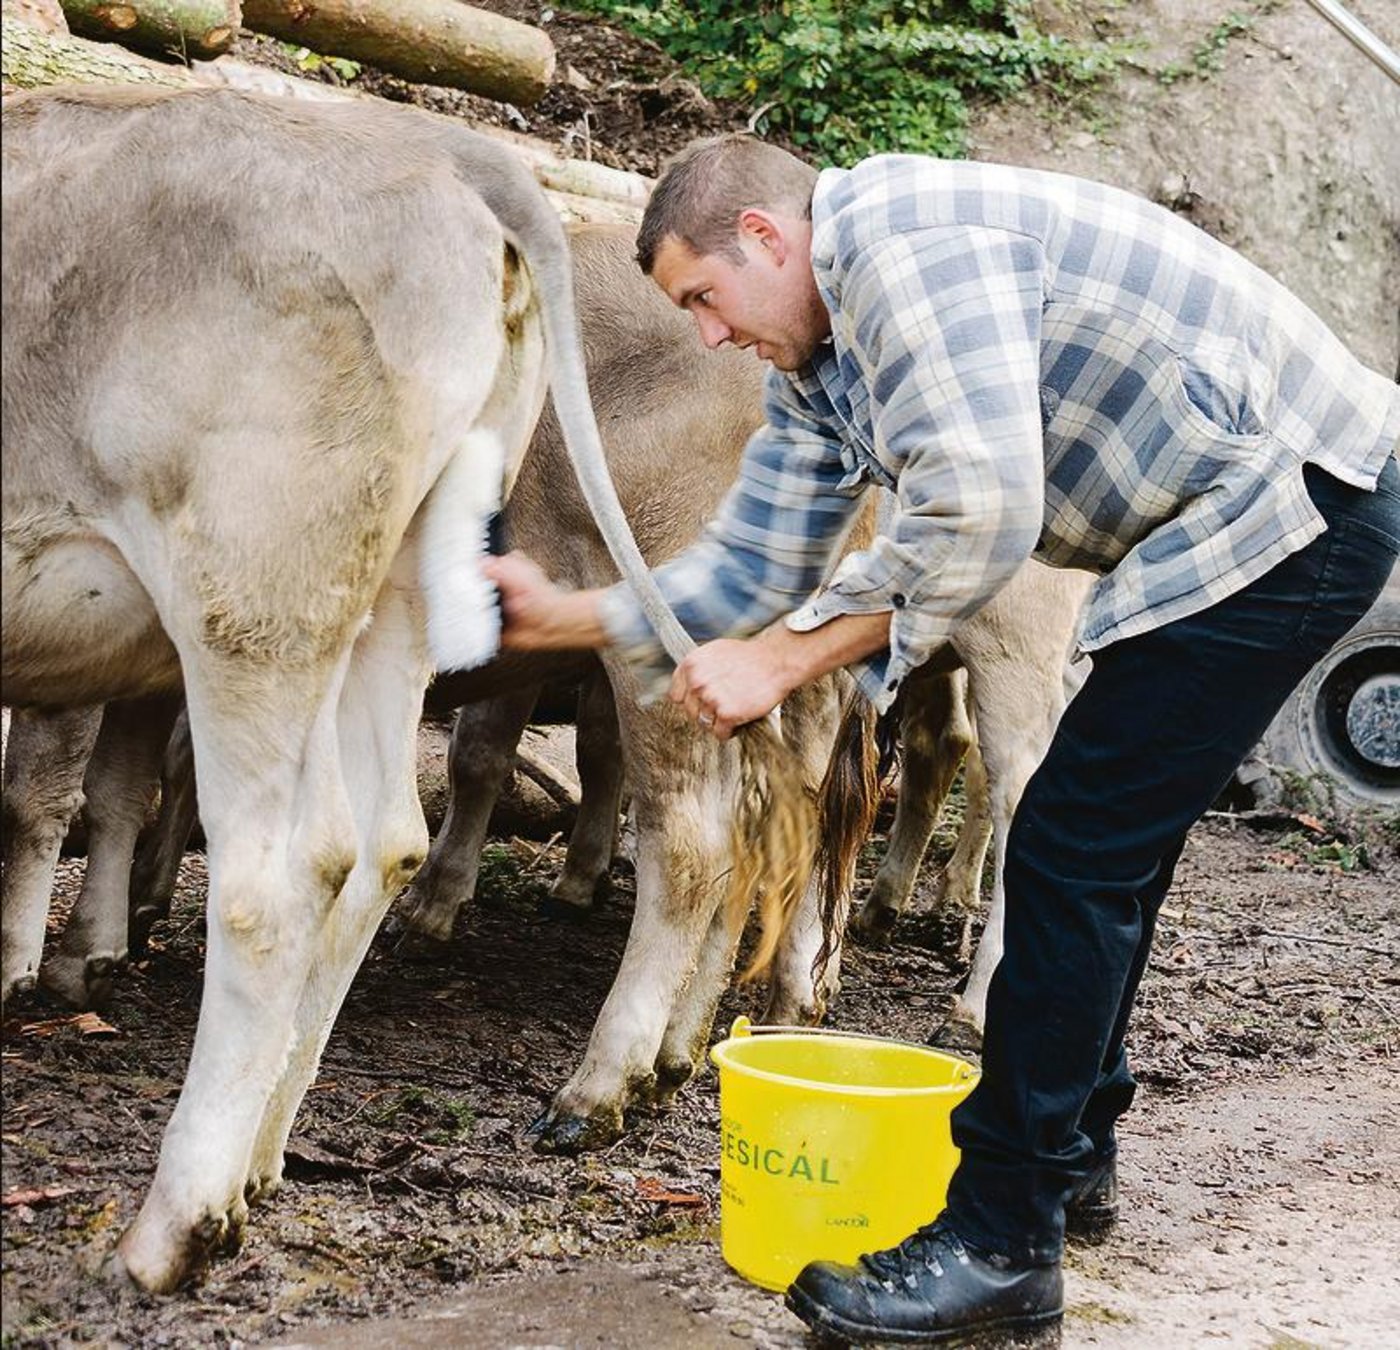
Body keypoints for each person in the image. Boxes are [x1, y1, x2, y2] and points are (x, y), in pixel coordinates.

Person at [483, 135, 1400, 1345]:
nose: (704, 335)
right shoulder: (817, 359)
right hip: (1235, 511)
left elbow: (979, 510)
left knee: (1071, 846)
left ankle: (1000, 1239)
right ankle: (1066, 1156)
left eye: (703, 298)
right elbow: (757, 550)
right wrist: (581, 615)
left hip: (1301, 500)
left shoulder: (907, 247)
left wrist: (790, 656)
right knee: (1103, 844)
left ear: (765, 240)